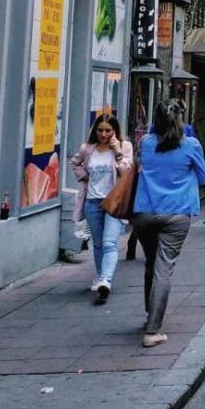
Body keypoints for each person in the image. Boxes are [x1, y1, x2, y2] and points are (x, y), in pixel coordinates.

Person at [132, 100, 205, 348]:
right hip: (176, 214)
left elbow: (139, 167)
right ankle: (153, 330)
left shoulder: (145, 143)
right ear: (180, 119)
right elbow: (204, 177)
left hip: (145, 212)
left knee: (151, 264)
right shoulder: (191, 145)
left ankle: (148, 315)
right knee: (164, 269)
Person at [70, 115, 134, 305]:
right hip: (92, 202)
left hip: (114, 201)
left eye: (108, 130)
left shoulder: (124, 146)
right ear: (94, 131)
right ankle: (100, 277)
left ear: (115, 130)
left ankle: (106, 279)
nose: (104, 134)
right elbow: (74, 163)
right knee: (97, 244)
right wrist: (84, 178)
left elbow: (127, 172)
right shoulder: (87, 149)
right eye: (100, 130)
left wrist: (117, 153)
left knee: (109, 243)